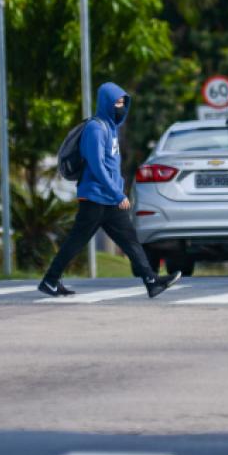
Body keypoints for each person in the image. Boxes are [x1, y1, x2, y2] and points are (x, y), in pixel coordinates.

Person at [39, 82, 181, 298]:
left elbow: (111, 165)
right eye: (116, 102)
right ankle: (50, 280)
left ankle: (151, 281)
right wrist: (118, 194)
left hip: (108, 199)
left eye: (123, 103)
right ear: (106, 103)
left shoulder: (111, 128)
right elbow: (96, 166)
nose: (120, 106)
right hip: (96, 198)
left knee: (130, 240)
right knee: (76, 242)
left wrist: (117, 190)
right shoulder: (95, 128)